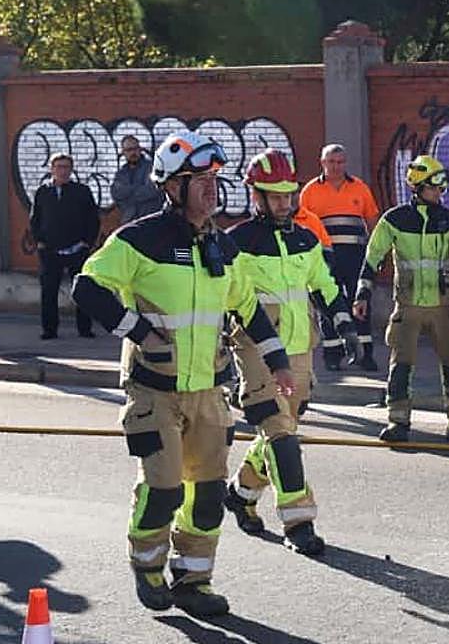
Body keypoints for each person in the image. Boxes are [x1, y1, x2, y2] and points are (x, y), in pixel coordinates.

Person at [72, 130, 294, 617]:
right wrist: (137, 330)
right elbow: (86, 288)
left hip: (209, 394)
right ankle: (148, 567)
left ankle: (194, 579)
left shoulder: (221, 247)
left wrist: (278, 363)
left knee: (209, 492)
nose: (211, 188)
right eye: (199, 179)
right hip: (155, 393)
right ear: (171, 187)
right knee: (164, 487)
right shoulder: (138, 239)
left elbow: (248, 308)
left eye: (214, 178)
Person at [222, 149, 361, 556]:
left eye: (289, 194)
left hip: (300, 350)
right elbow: (222, 297)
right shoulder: (237, 243)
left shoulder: (305, 238)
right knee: (282, 435)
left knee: (282, 429)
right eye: (275, 195)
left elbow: (325, 283)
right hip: (256, 352)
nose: (284, 203)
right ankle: (299, 521)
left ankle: (241, 492)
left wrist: (344, 321)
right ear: (257, 196)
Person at [355, 155, 449, 442]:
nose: (440, 192)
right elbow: (372, 258)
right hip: (407, 306)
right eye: (435, 186)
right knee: (401, 364)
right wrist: (362, 294)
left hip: (443, 308)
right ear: (418, 186)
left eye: (442, 186)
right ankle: (398, 421)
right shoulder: (394, 220)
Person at [299, 143, 381, 372]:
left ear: (345, 163)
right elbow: (302, 224)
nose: (336, 167)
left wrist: (374, 254)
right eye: (331, 162)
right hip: (324, 258)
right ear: (322, 163)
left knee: (360, 302)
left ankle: (365, 355)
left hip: (355, 256)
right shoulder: (310, 191)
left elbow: (372, 220)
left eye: (340, 162)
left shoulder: (359, 188)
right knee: (328, 304)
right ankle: (333, 355)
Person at [29, 152, 100, 339]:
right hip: (50, 251)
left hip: (77, 249)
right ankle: (49, 330)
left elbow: (93, 219)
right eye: (59, 167)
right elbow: (35, 220)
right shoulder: (43, 192)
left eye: (67, 167)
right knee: (49, 292)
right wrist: (40, 242)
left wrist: (87, 243)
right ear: (52, 169)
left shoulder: (81, 191)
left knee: (82, 291)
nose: (63, 171)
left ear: (71, 169)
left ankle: (85, 329)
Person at [110, 135, 162, 224]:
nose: (133, 152)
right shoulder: (121, 173)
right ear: (123, 152)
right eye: (129, 150)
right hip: (128, 222)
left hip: (151, 221)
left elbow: (152, 191)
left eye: (135, 148)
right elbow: (116, 194)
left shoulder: (151, 168)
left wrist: (128, 192)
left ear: (140, 149)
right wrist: (139, 188)